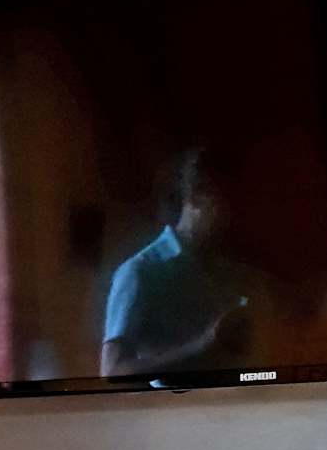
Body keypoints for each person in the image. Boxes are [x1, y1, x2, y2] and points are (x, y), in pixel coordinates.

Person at [100, 148, 253, 379]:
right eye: (224, 203)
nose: (230, 217)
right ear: (194, 197)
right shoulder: (141, 271)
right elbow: (112, 373)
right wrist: (201, 347)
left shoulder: (225, 271)